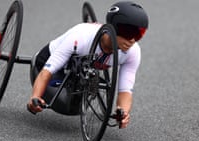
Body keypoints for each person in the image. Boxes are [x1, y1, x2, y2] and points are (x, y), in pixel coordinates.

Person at [27, 1, 149, 129]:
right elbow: (46, 72)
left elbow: (125, 90)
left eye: (139, 35)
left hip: (77, 71)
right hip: (46, 64)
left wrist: (123, 112)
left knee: (81, 94)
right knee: (62, 105)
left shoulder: (133, 52)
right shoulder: (80, 38)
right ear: (113, 27)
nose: (132, 40)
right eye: (129, 32)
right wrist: (35, 97)